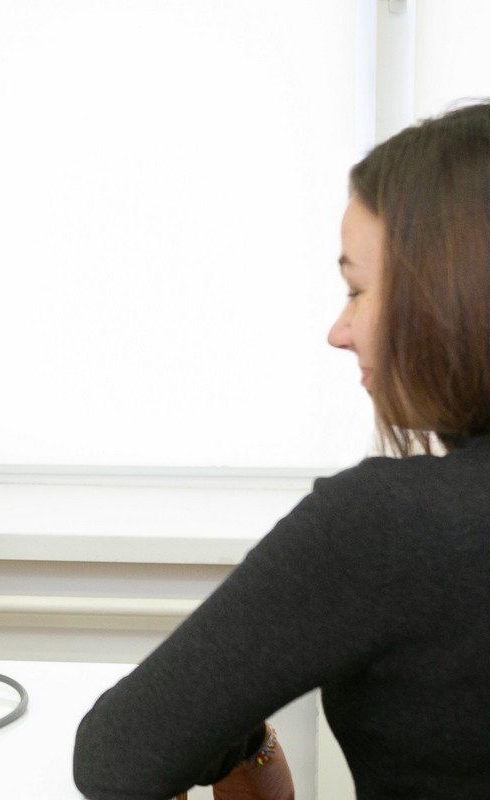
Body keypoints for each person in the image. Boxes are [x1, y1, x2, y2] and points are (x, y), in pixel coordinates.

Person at [72, 100, 490, 798]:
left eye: (356, 290)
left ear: (452, 293)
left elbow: (117, 758)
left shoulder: (389, 526)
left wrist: (238, 733)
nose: (339, 330)